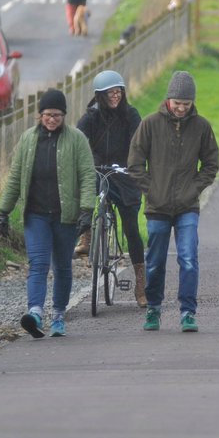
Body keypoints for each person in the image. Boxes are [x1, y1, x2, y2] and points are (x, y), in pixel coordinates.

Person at [0, 89, 96, 339]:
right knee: (38, 265)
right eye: (48, 115)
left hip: (66, 217)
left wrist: (86, 210)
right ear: (39, 115)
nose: (52, 119)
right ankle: (35, 313)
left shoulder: (77, 140)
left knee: (62, 267)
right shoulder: (28, 140)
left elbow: (87, 176)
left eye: (57, 115)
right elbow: (15, 178)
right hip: (36, 215)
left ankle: (59, 316)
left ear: (64, 116)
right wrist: (3, 212)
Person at [128, 71, 219, 333]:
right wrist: (151, 190)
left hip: (187, 206)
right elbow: (135, 164)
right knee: (155, 260)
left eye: (186, 104)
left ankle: (188, 312)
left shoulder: (202, 127)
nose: (181, 108)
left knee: (189, 258)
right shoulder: (149, 124)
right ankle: (154, 309)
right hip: (157, 207)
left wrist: (195, 188)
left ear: (192, 103)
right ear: (168, 99)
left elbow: (211, 164)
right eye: (177, 103)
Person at [75, 70, 147, 307]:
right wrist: (85, 163)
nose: (115, 96)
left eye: (118, 92)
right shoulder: (91, 118)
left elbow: (140, 143)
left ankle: (140, 281)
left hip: (124, 173)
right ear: (100, 96)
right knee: (85, 190)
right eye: (110, 93)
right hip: (99, 169)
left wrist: (135, 166)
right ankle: (87, 234)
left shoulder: (131, 115)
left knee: (131, 227)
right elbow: (78, 141)